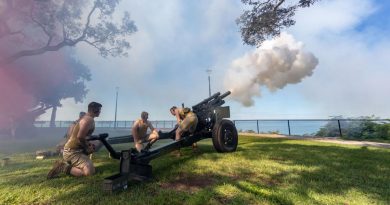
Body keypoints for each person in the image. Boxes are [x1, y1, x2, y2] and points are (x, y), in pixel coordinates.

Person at [47, 102, 102, 179]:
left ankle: (75, 165)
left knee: (96, 143)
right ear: (94, 110)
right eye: (99, 110)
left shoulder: (87, 118)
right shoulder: (88, 120)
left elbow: (82, 136)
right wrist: (87, 146)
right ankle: (62, 167)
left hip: (74, 150)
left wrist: (90, 144)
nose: (100, 112)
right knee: (89, 173)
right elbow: (80, 137)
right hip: (72, 152)